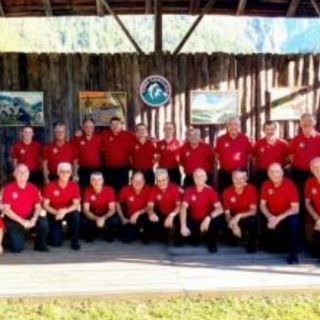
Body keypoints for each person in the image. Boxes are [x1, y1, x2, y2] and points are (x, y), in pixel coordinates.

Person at [2, 164, 48, 253]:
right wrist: (22, 221)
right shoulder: (8, 188)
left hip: (29, 217)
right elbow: (6, 210)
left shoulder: (33, 187)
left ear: (28, 174)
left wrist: (34, 219)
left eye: (25, 172)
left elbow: (38, 206)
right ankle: (10, 238)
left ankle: (39, 245)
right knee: (17, 249)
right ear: (15, 175)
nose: (23, 174)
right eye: (20, 172)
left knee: (43, 222)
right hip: (13, 219)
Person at [260, 163, 300, 264]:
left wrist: (278, 219)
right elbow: (262, 205)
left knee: (294, 223)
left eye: (277, 171)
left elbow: (296, 208)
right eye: (272, 172)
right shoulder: (265, 184)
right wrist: (270, 217)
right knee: (272, 249)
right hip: (272, 216)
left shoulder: (290, 184)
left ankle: (293, 255)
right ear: (268, 174)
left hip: (286, 216)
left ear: (282, 173)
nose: (275, 174)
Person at [180, 168, 224, 252]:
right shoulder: (188, 190)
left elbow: (220, 209)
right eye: (196, 176)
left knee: (217, 221)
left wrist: (208, 217)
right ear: (193, 178)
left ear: (206, 178)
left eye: (201, 176)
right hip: (194, 219)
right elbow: (183, 208)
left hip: (206, 220)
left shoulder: (210, 191)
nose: (199, 178)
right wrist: (183, 225)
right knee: (193, 243)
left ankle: (212, 243)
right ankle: (198, 236)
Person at [43, 162, 81, 250]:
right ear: (58, 173)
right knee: (56, 243)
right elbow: (45, 205)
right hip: (53, 213)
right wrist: (57, 212)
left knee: (76, 215)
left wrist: (64, 211)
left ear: (71, 173)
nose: (65, 174)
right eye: (62, 171)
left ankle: (74, 240)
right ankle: (58, 233)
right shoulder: (50, 186)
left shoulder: (74, 185)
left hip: (68, 212)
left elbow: (76, 204)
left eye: (68, 172)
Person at [222, 170, 258, 253]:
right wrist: (234, 226)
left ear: (246, 179)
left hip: (246, 217)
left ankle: (251, 243)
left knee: (252, 221)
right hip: (232, 219)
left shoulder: (251, 189)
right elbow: (227, 214)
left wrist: (239, 215)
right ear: (232, 179)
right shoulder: (226, 191)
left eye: (241, 178)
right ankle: (239, 236)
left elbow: (253, 211)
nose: (238, 181)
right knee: (231, 243)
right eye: (235, 178)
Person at [215, 116, 252, 192]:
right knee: (224, 194)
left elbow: (250, 155)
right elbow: (217, 155)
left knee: (241, 194)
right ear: (227, 126)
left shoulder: (245, 138)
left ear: (239, 126)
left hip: (241, 174)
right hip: (225, 174)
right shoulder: (221, 139)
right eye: (231, 124)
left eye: (236, 124)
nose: (233, 126)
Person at [147, 169, 182, 243]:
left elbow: (179, 206)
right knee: (162, 238)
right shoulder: (154, 189)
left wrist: (171, 216)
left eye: (163, 180)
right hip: (162, 213)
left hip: (175, 213)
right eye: (158, 181)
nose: (161, 183)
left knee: (179, 240)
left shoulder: (174, 187)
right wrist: (151, 213)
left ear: (168, 179)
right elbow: (150, 205)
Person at [83, 172, 119, 242]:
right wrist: (96, 218)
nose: (97, 182)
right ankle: (95, 232)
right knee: (84, 223)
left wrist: (103, 218)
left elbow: (112, 209)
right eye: (94, 180)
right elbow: (86, 210)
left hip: (106, 214)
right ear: (90, 182)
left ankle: (106, 233)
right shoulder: (87, 190)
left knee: (114, 221)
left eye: (99, 180)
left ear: (103, 181)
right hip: (93, 214)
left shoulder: (109, 190)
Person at [289, 113, 320, 195]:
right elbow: (291, 155)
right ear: (300, 125)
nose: (307, 129)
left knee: (314, 194)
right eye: (304, 126)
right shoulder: (296, 139)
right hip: (298, 173)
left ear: (314, 124)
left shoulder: (319, 138)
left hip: (315, 173)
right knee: (299, 193)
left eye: (309, 126)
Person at [101, 117, 134, 192]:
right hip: (108, 168)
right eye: (113, 124)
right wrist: (80, 133)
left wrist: (151, 139)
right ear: (110, 126)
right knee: (109, 189)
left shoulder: (128, 135)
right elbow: (93, 137)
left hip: (123, 168)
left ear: (121, 125)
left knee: (123, 189)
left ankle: (121, 203)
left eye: (117, 124)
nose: (115, 126)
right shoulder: (104, 134)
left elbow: (140, 138)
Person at [253, 121, 288, 189]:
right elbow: (254, 158)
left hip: (277, 173)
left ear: (275, 130)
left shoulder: (283, 144)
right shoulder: (258, 143)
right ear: (263, 130)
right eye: (267, 129)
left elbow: (287, 159)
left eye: (272, 129)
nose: (270, 132)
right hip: (262, 173)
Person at [117, 171, 150, 243]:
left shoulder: (149, 189)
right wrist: (122, 218)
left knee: (146, 239)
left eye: (140, 181)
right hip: (129, 217)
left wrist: (137, 213)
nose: (138, 183)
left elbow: (150, 206)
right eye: (135, 180)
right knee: (126, 239)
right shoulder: (125, 189)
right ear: (131, 180)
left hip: (143, 216)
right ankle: (135, 230)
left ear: (144, 181)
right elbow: (117, 203)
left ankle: (141, 230)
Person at [73, 118, 102, 190]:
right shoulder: (77, 139)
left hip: (96, 170)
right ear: (82, 127)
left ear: (94, 127)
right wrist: (75, 173)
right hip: (83, 170)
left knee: (96, 190)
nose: (89, 129)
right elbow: (75, 158)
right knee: (83, 190)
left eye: (91, 127)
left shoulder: (99, 138)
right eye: (86, 127)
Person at [304, 157, 320, 257]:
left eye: (319, 167)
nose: (317, 170)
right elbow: (307, 203)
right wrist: (316, 217)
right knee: (316, 252)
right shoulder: (310, 182)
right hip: (318, 218)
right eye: (314, 167)